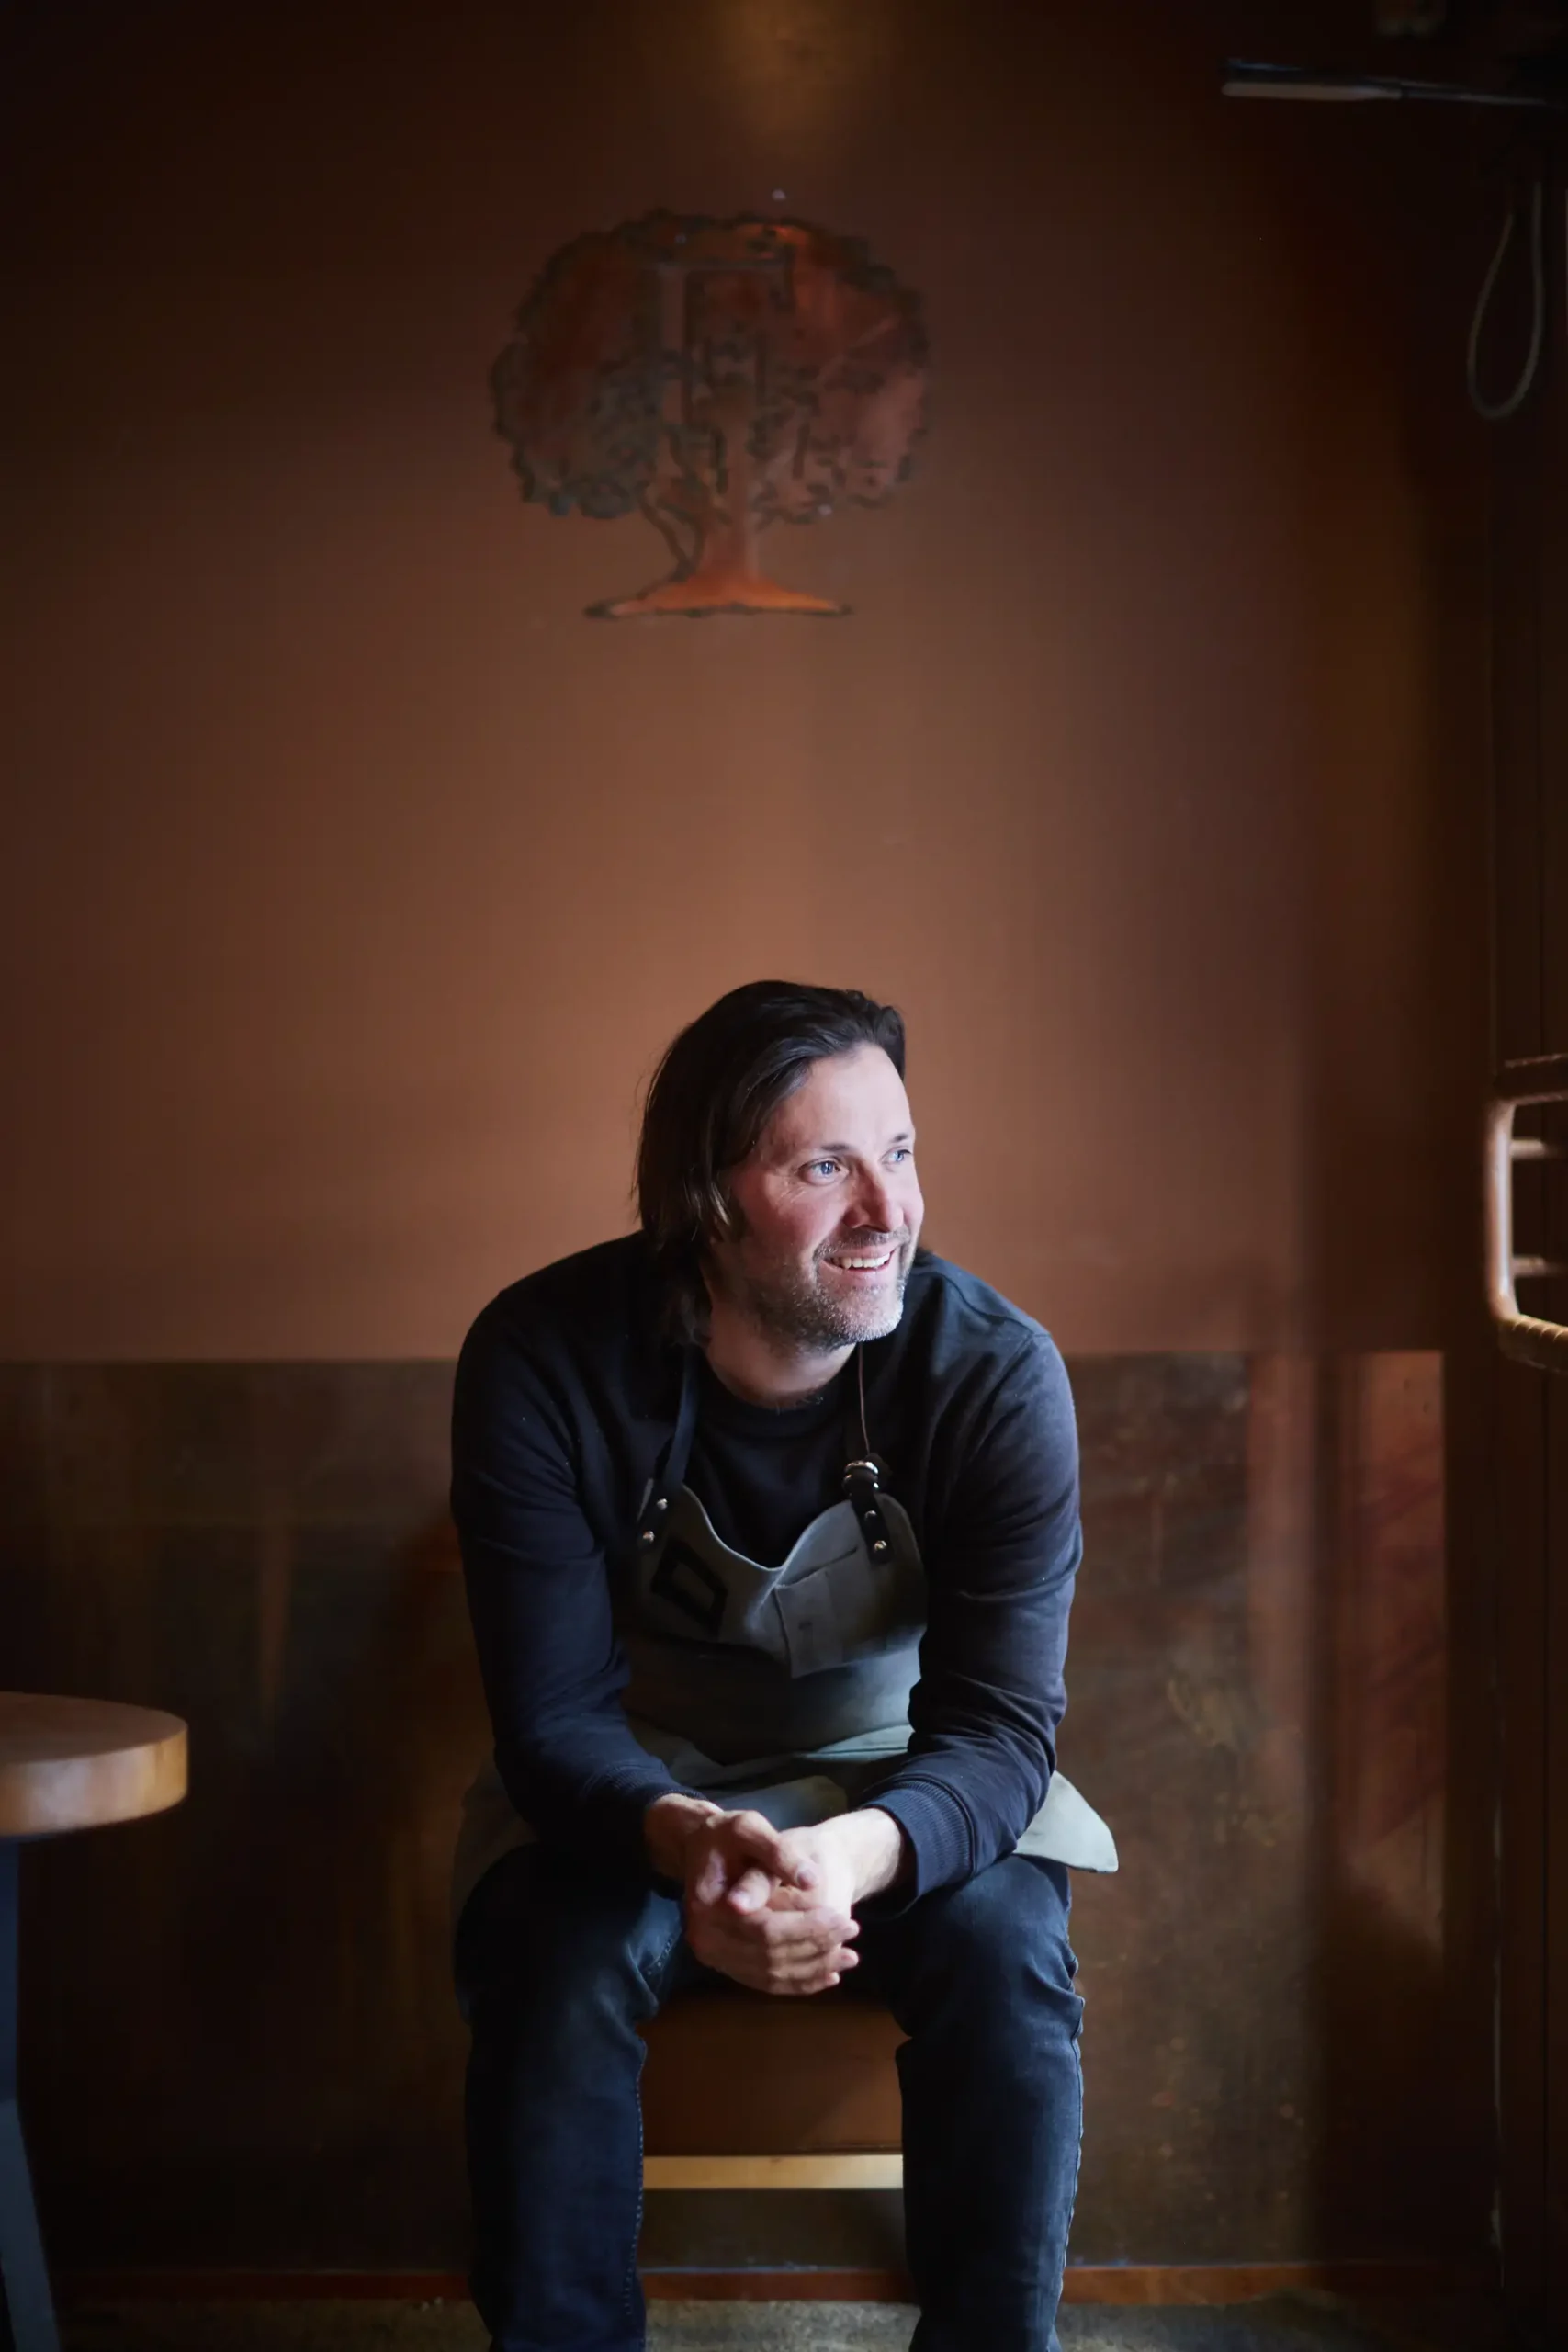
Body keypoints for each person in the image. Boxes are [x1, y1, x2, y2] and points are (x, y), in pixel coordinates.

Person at [450, 979, 1114, 2352]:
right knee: (555, 1957)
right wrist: (691, 1837)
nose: (887, 1210)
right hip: (639, 1772)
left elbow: (999, 1730)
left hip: (903, 1768)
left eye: (900, 1154)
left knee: (1008, 1948)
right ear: (706, 1199)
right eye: (824, 1168)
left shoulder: (993, 1374)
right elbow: (551, 1717)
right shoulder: (542, 1357)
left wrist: (851, 1854)